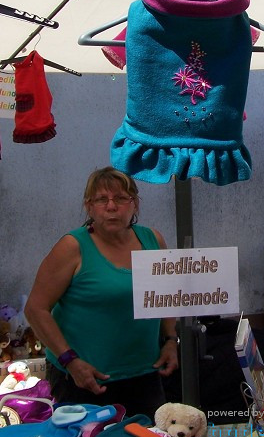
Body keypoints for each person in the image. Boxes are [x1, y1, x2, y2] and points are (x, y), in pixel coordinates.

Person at [24, 166, 179, 418]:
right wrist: (70, 361)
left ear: (135, 204)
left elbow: (165, 297)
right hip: (85, 379)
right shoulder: (72, 247)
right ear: (89, 207)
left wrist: (171, 341)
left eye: (121, 198)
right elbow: (35, 309)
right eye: (101, 200)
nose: (111, 206)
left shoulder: (153, 241)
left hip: (146, 375)